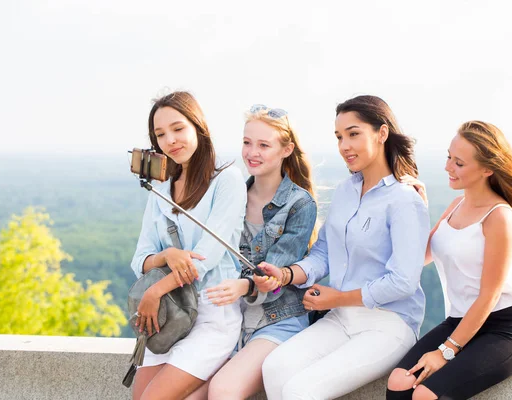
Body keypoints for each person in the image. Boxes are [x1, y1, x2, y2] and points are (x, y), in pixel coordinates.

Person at [256, 95, 430, 400]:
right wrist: (285, 275)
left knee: (301, 389)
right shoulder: (345, 191)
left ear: (382, 133)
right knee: (274, 367)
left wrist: (338, 297)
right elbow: (323, 253)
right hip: (341, 318)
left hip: (388, 325)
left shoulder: (405, 200)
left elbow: (403, 281)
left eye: (353, 134)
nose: (344, 146)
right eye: (339, 137)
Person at [387, 121, 512, 400]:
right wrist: (418, 210)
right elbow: (421, 257)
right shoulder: (456, 205)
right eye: (449, 157)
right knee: (399, 383)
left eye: (459, 163)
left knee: (425, 395)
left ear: (487, 169)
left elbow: (488, 296)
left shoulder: (499, 216)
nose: (448, 167)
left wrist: (445, 352)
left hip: (505, 328)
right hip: (460, 320)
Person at [185, 104, 318, 400]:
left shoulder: (300, 204)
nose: (252, 152)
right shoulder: (229, 195)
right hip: (230, 319)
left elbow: (275, 271)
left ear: (286, 150)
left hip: (277, 319)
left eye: (263, 145)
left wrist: (243, 285)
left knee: (223, 390)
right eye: (247, 143)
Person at [130, 91, 247, 400]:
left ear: (198, 126)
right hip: (171, 315)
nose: (170, 140)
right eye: (160, 134)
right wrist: (166, 255)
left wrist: (154, 290)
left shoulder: (227, 180)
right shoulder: (161, 188)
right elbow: (139, 259)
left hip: (212, 312)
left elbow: (204, 259)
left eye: (178, 128)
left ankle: (223, 367)